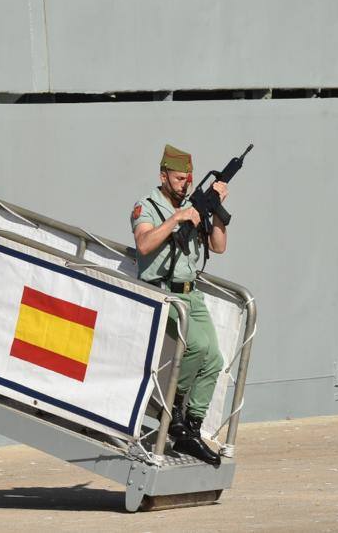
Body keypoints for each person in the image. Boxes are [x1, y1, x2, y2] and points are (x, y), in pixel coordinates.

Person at [131, 144, 229, 466]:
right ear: (163, 176)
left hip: (191, 293)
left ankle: (191, 425)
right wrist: (177, 218)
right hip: (163, 292)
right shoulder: (146, 206)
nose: (184, 184)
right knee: (197, 345)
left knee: (214, 357)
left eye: (188, 178)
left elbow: (219, 246)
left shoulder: (193, 203)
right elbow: (144, 244)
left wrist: (214, 211)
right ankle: (170, 407)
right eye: (178, 178)